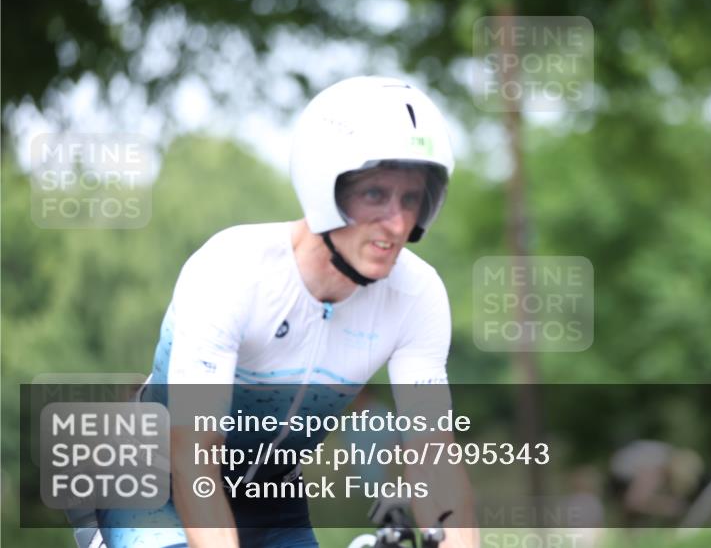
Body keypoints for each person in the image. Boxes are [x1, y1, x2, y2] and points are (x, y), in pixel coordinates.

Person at [96, 76, 479, 548]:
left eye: (411, 198)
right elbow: (193, 458)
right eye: (376, 195)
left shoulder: (417, 295)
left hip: (273, 502)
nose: (397, 223)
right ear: (326, 187)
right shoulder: (232, 269)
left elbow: (434, 459)